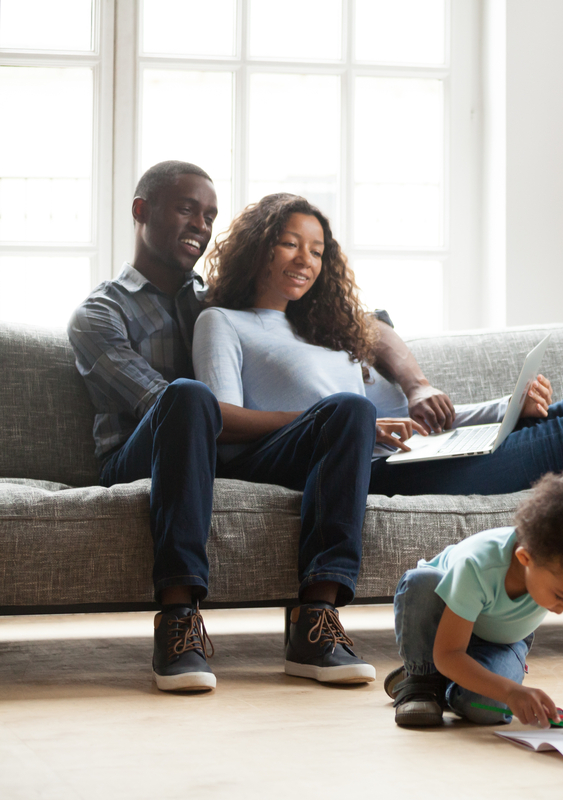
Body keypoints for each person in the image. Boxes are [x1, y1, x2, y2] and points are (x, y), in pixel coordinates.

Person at [68, 162, 454, 693]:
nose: (200, 226)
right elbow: (165, 407)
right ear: (141, 211)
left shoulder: (210, 298)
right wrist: (308, 418)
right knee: (187, 396)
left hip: (233, 451)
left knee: (348, 408)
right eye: (186, 209)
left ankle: (314, 622)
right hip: (140, 455)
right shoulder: (100, 314)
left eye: (209, 216)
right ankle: (178, 619)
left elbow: (366, 324)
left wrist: (413, 385)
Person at [191, 192, 563, 501]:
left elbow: (403, 423)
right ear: (259, 247)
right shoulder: (225, 323)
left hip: (403, 453)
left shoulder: (324, 328)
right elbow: (220, 423)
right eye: (290, 244)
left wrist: (504, 408)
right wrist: (343, 427)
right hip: (359, 473)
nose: (305, 261)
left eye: (317, 251)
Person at [387, 469, 563, 733]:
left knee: (483, 707)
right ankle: (421, 678)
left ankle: (443, 683)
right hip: (440, 630)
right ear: (525, 559)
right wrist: (510, 691)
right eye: (561, 597)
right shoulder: (478, 565)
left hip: (499, 641)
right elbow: (448, 653)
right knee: (421, 581)